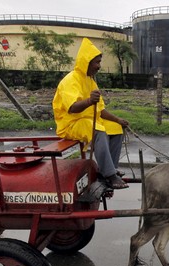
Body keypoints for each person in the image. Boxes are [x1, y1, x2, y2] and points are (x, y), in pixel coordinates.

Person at [53, 38, 129, 189]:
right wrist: (89, 101)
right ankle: (110, 175)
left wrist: (118, 119)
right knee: (98, 130)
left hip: (88, 120)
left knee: (115, 128)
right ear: (86, 62)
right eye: (96, 62)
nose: (99, 66)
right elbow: (72, 108)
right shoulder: (71, 80)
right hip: (70, 124)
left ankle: (109, 170)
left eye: (99, 62)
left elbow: (100, 111)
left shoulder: (91, 81)